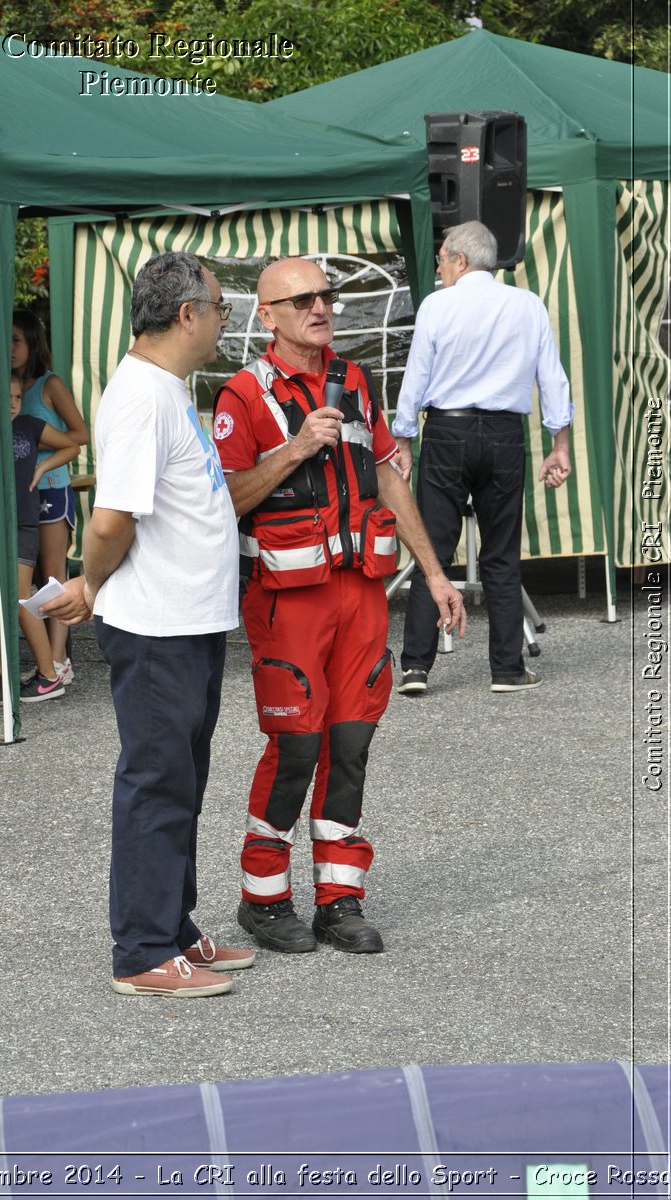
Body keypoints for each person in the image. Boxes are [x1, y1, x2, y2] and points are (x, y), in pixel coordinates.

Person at [212, 256, 465, 955]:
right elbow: (225, 501)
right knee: (295, 746)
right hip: (287, 602)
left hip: (359, 597)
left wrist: (435, 574)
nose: (320, 309)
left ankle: (338, 898)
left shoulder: (355, 380)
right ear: (267, 316)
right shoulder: (241, 395)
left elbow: (387, 477)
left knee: (349, 745)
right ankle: (261, 900)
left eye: (325, 296)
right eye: (300, 301)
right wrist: (294, 449)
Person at [42, 251, 254, 998]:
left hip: (188, 618)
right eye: (222, 307)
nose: (226, 320)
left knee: (182, 781)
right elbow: (110, 519)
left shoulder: (166, 388)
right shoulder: (139, 395)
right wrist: (90, 581)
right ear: (187, 313)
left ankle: (171, 924)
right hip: (158, 622)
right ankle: (139, 950)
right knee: (157, 783)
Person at [391, 221, 573, 697]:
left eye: (443, 259)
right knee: (501, 554)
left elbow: (417, 376)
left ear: (461, 260)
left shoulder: (437, 305)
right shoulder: (528, 304)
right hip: (503, 434)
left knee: (431, 547)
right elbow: (552, 378)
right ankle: (507, 669)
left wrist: (404, 439)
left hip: (447, 432)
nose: (440, 267)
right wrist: (561, 444)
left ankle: (415, 667)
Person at [0, 373, 78, 704]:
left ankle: (49, 676)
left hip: (23, 522)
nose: (12, 403)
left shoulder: (31, 426)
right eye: (5, 396)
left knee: (20, 597)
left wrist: (41, 468)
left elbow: (71, 444)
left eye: (17, 397)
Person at [12, 309, 88, 685]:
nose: (9, 349)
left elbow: (81, 433)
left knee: (53, 574)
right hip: (18, 492)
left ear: (32, 342)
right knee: (27, 575)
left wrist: (43, 452)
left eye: (16, 341)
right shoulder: (7, 385)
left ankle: (58, 660)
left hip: (52, 486)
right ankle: (47, 658)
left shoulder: (49, 383)